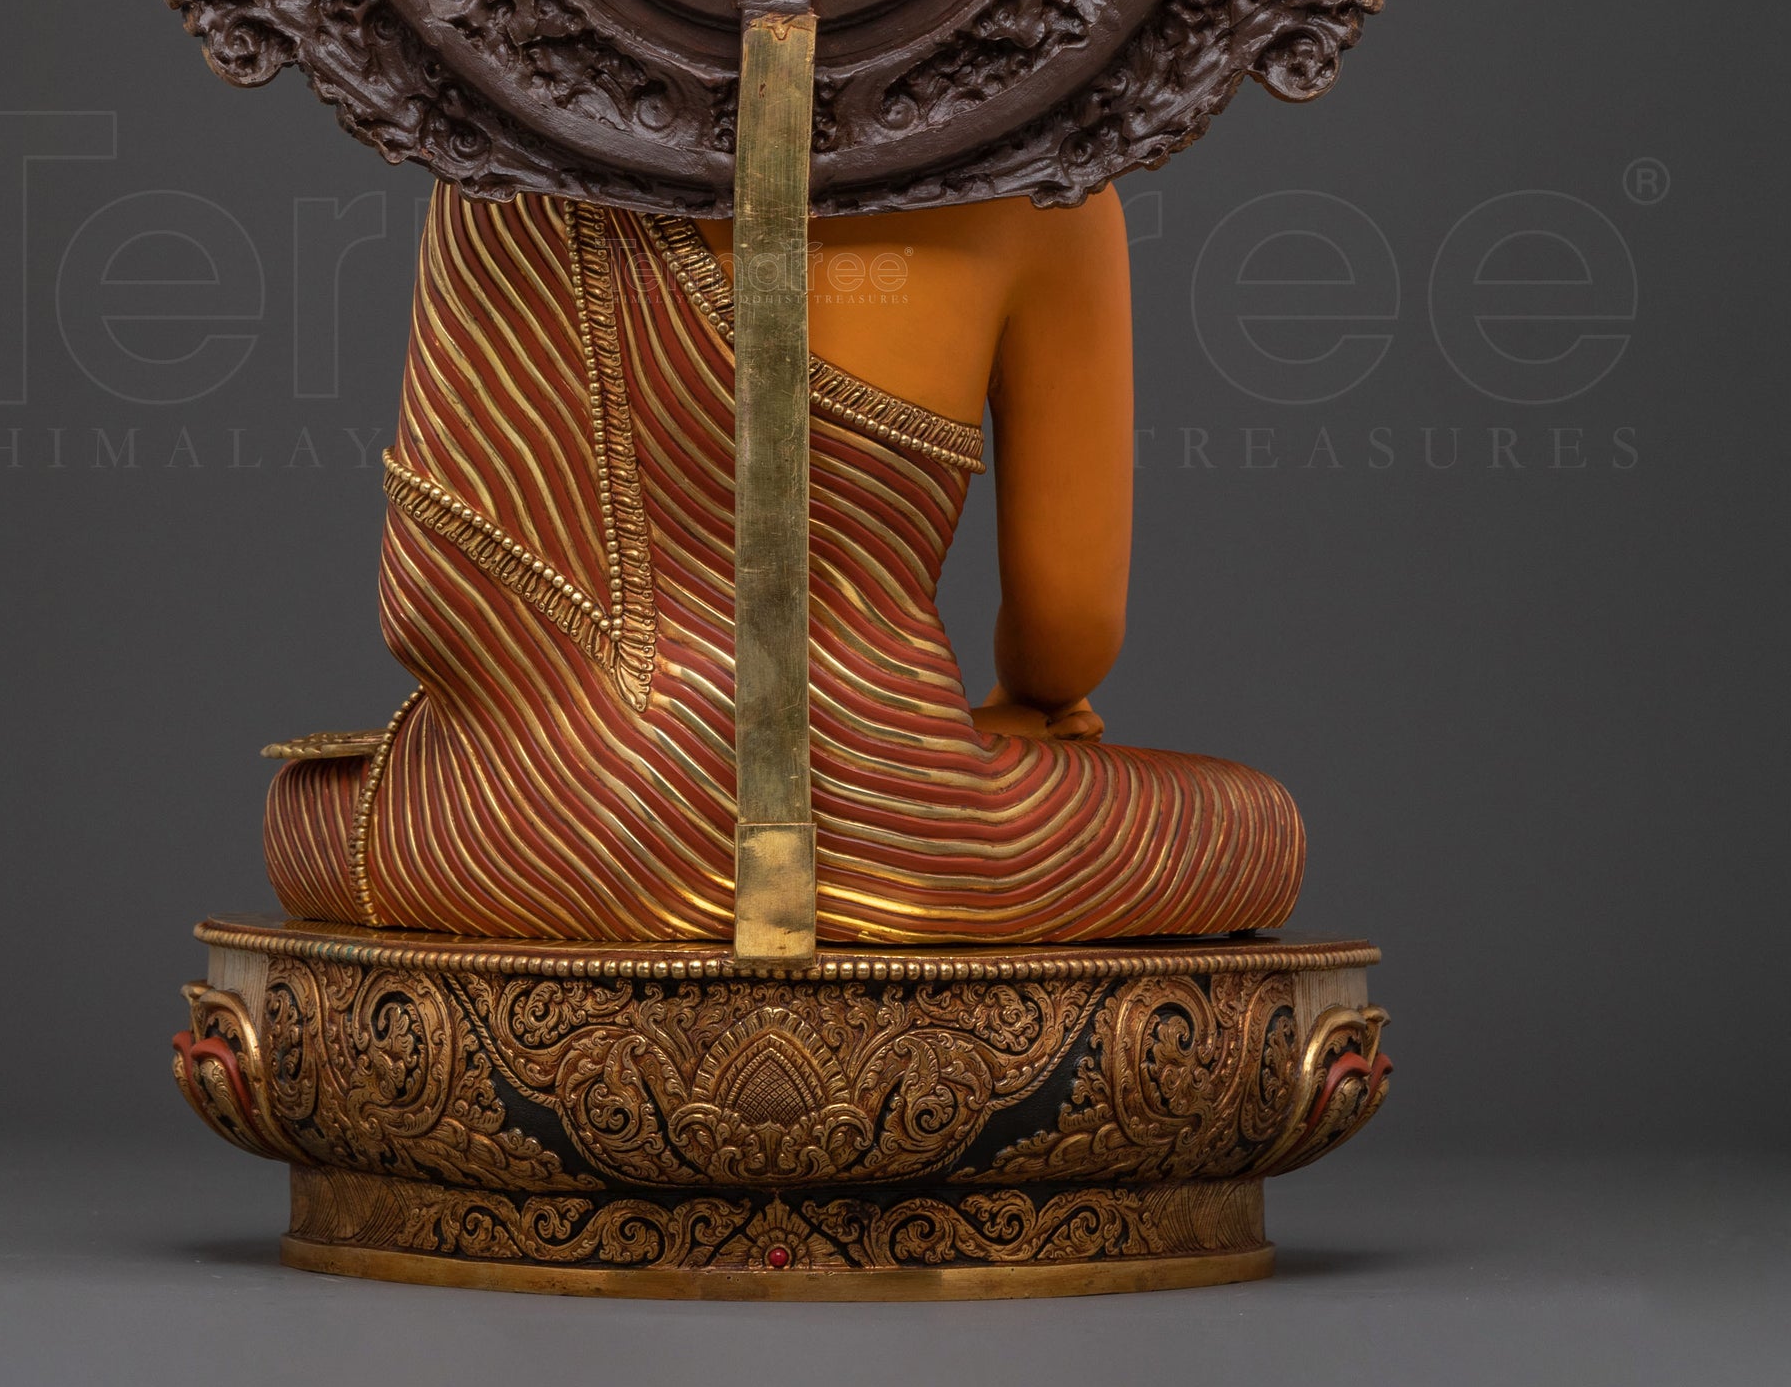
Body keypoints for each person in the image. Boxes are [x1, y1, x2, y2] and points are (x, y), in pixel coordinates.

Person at [264, 185, 1303, 944]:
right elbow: (1070, 634)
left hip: (506, 828)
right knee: (1255, 828)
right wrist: (1029, 714)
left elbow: (423, 602)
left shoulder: (500, 149)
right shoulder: (1044, 187)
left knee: (302, 817)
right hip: (892, 819)